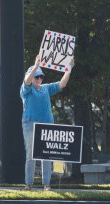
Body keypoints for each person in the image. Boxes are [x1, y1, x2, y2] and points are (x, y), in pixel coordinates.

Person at [20, 55, 74, 191]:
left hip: (46, 125)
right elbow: (26, 81)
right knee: (31, 155)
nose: (39, 79)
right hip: (30, 124)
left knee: (46, 155)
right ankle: (29, 184)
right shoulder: (26, 89)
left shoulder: (46, 88)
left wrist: (69, 69)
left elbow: (62, 84)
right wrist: (36, 66)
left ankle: (47, 185)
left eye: (40, 77)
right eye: (36, 77)